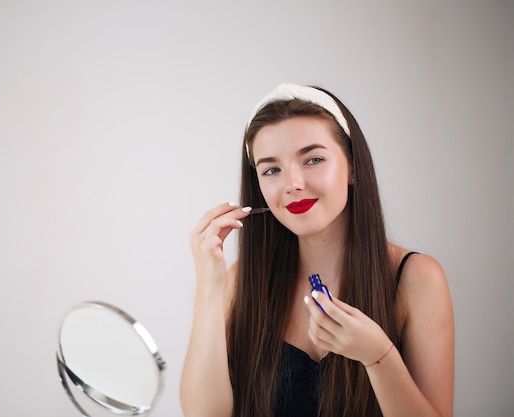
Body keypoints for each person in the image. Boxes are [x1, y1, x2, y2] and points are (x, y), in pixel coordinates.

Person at [180, 84, 454, 417]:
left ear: (353, 166)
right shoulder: (240, 281)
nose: (292, 183)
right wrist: (209, 289)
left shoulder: (417, 278)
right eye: (271, 169)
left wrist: (379, 357)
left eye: (313, 159)